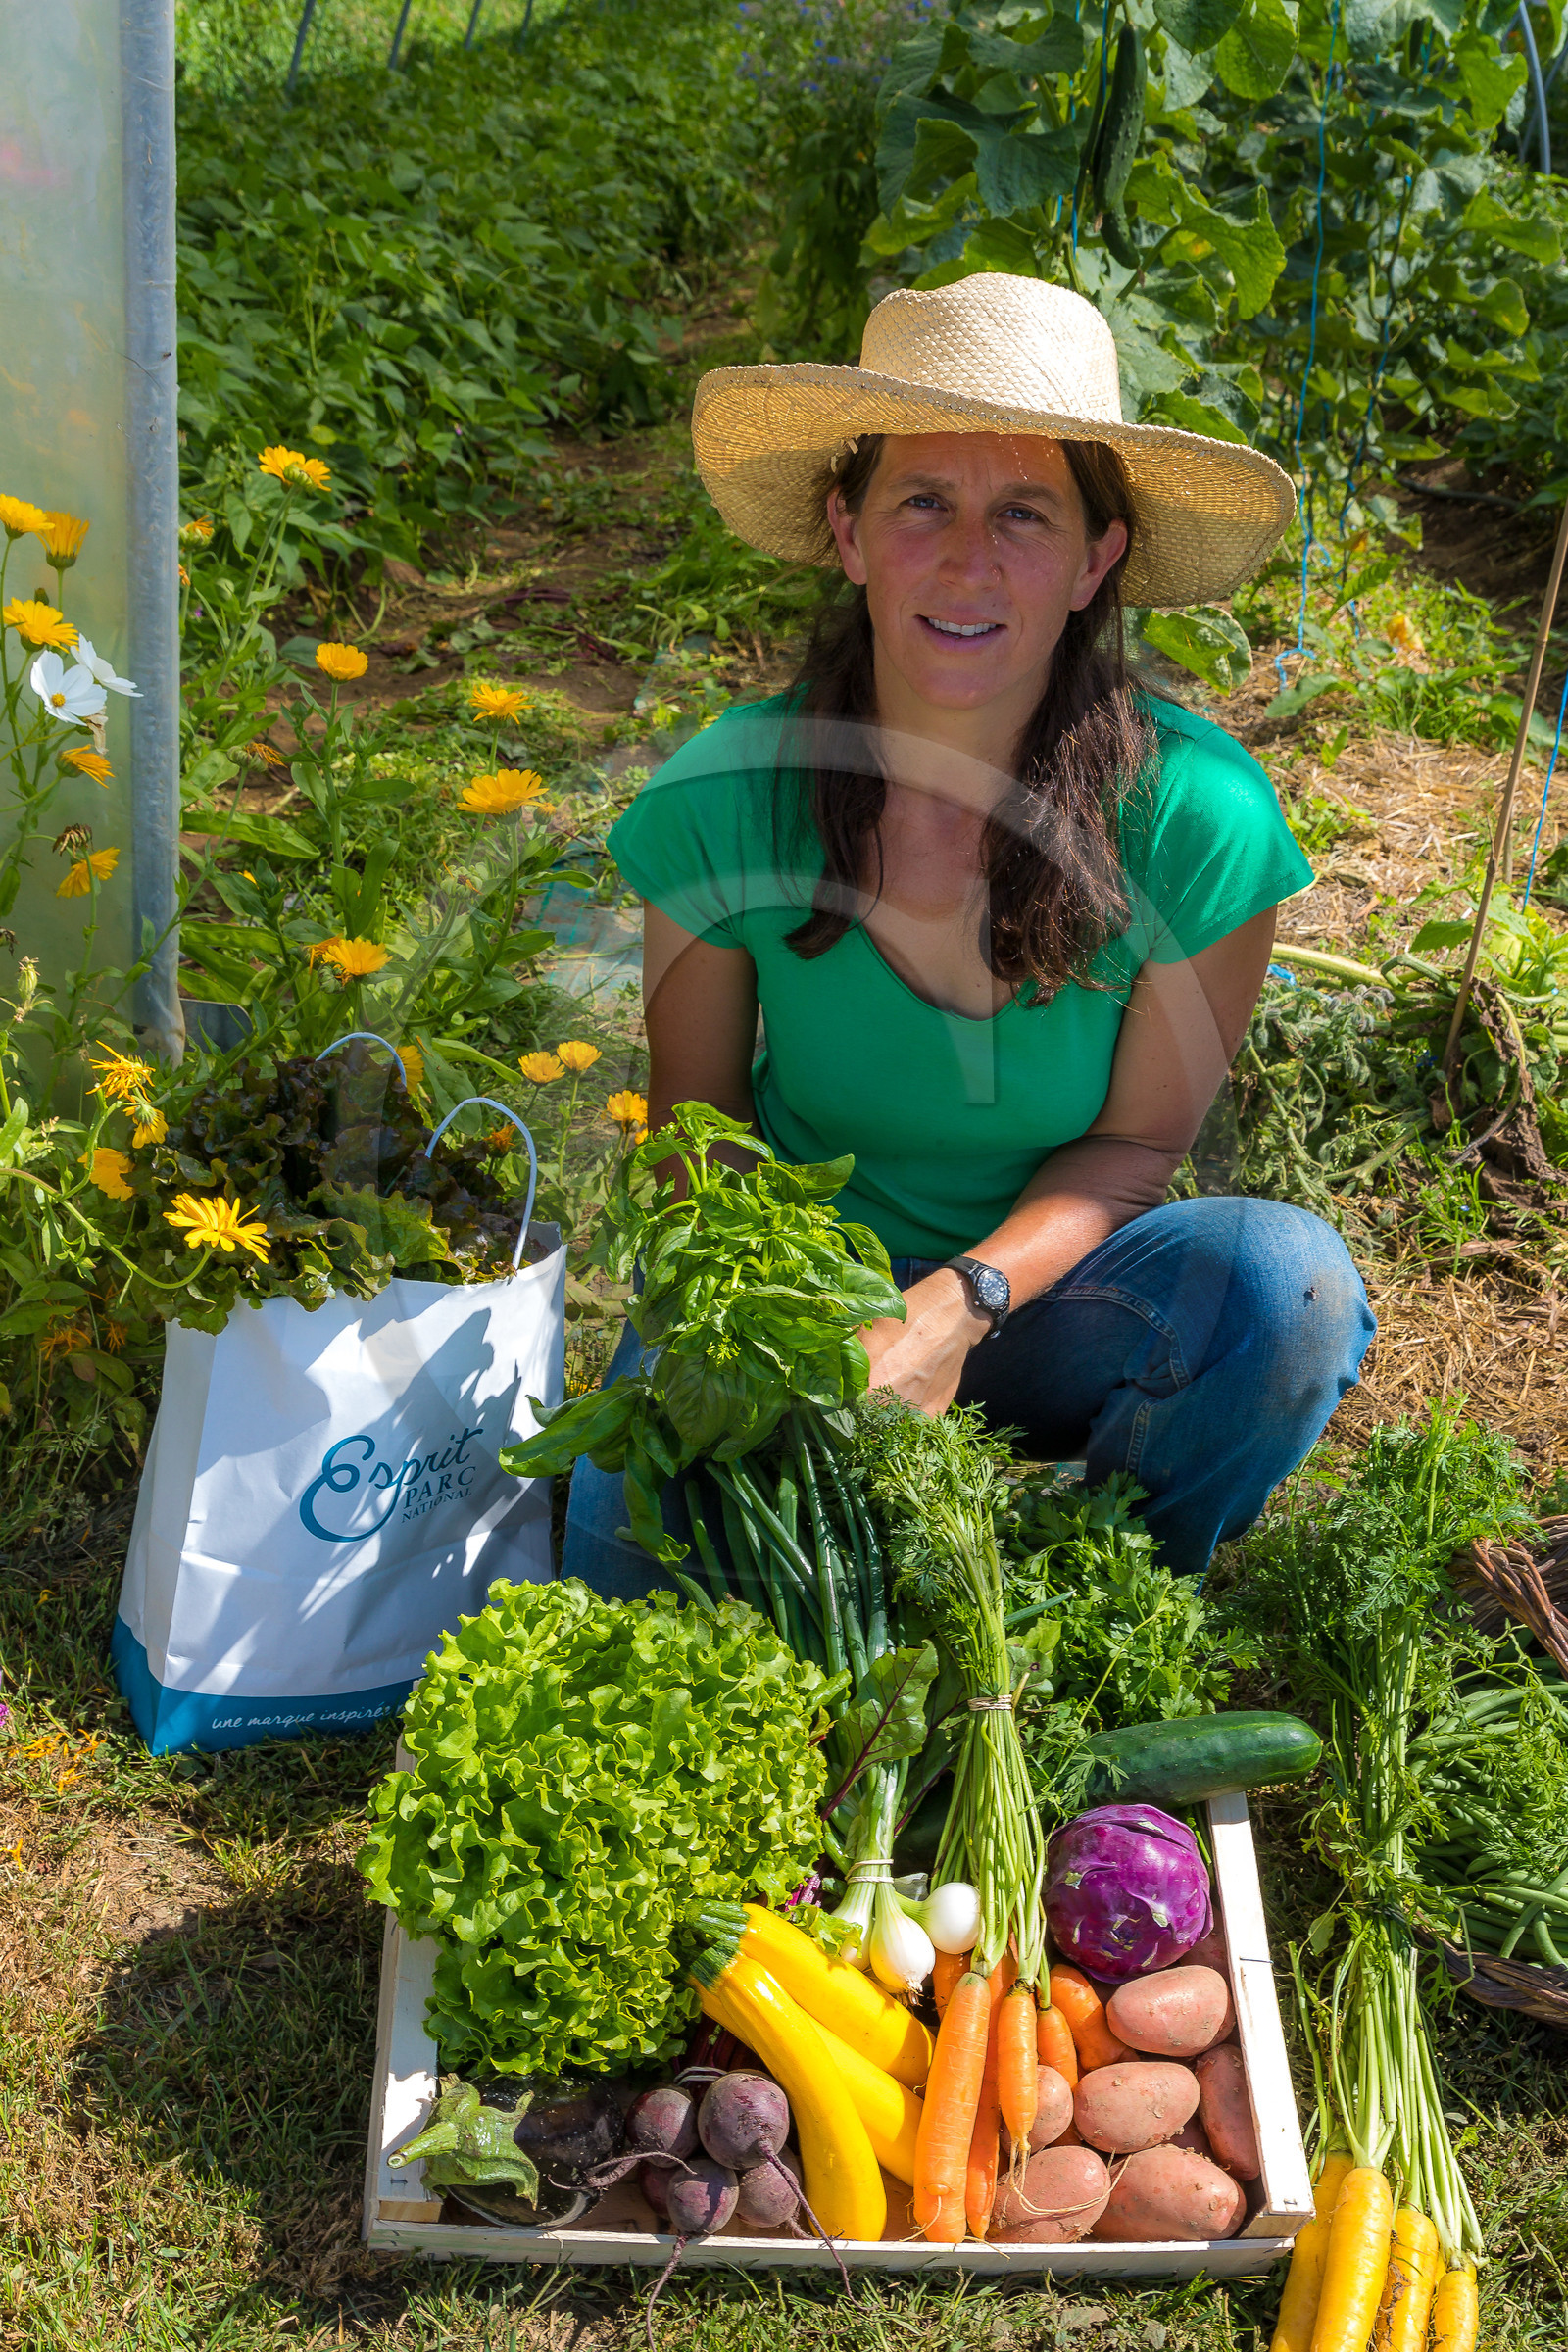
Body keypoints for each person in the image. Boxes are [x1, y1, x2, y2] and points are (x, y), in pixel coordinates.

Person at [563, 272, 1373, 1596]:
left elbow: (1136, 1148)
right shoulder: (723, 799)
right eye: (922, 501)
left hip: (1061, 1303)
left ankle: (1102, 1594)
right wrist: (816, 1330)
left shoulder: (1197, 820)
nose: (965, 560)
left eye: (1024, 515)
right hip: (806, 1293)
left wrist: (958, 1306)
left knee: (1285, 1288)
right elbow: (694, 1134)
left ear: (1095, 561)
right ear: (848, 529)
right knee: (619, 1552)